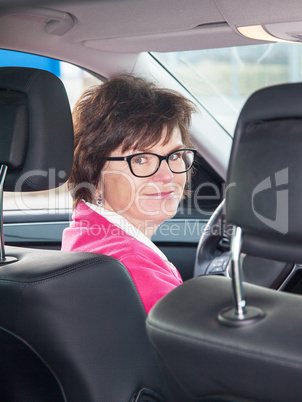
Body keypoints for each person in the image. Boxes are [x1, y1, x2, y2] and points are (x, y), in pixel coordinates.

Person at [61, 74, 196, 314]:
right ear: (94, 176)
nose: (166, 176)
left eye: (174, 156)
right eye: (140, 159)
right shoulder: (131, 266)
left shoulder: (84, 233)